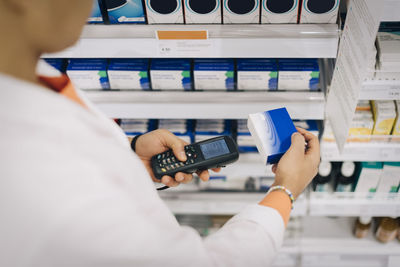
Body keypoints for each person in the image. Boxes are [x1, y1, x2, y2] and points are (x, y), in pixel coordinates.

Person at [0, 0, 320, 266]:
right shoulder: (46, 198)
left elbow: (67, 137)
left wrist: (129, 150)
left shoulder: (25, 69)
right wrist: (286, 190)